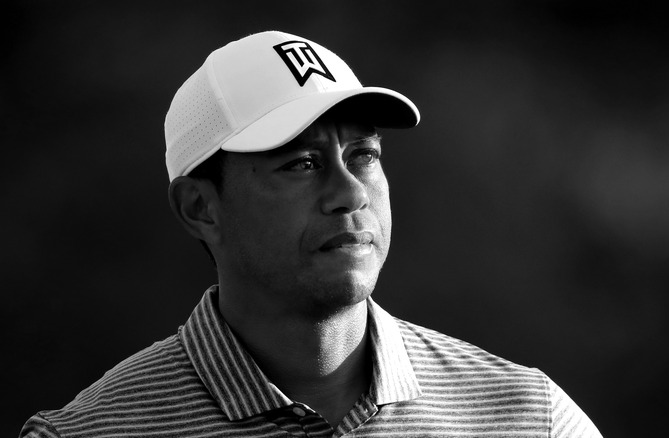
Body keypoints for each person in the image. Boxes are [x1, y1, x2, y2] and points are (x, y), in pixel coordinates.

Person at [20, 31, 602, 437]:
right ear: (201, 207)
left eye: (363, 154)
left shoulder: (530, 418)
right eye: (300, 163)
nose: (349, 192)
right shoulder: (87, 433)